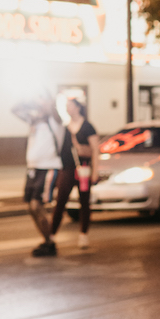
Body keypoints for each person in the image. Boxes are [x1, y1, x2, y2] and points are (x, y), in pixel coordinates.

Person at [12, 95, 65, 257]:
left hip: (48, 167)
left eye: (44, 102)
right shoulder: (33, 121)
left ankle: (50, 241)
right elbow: (14, 109)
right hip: (33, 169)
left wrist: (49, 103)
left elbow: (53, 111)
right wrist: (28, 99)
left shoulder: (55, 122)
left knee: (37, 205)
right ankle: (47, 240)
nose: (41, 105)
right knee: (31, 207)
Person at [48, 97, 100, 250]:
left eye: (70, 106)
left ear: (78, 107)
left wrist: (95, 171)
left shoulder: (88, 126)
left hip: (83, 169)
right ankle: (51, 234)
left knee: (84, 201)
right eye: (66, 106)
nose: (68, 109)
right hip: (67, 168)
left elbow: (95, 150)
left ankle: (83, 235)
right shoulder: (65, 127)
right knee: (60, 201)